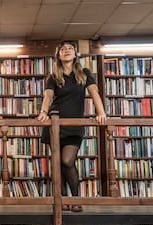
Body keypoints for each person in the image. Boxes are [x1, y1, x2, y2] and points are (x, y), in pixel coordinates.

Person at [37, 40, 106, 212]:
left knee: (67, 161)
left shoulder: (84, 73)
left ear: (75, 54)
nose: (66, 50)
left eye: (70, 48)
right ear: (58, 55)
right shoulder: (54, 76)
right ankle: (62, 200)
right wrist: (44, 112)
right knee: (58, 165)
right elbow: (48, 96)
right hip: (55, 125)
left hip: (74, 126)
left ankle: (75, 198)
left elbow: (94, 93)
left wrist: (101, 113)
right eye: (63, 49)